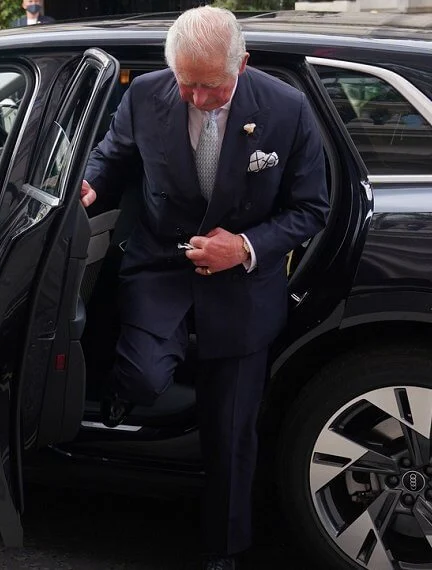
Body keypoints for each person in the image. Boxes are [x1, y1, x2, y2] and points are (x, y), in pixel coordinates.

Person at [80, 6, 329, 569]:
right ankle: (126, 390)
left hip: (242, 283)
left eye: (210, 86)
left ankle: (225, 547)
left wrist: (242, 247)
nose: (195, 98)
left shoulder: (286, 109)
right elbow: (112, 156)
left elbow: (312, 208)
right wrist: (89, 187)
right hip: (163, 263)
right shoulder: (145, 94)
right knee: (143, 377)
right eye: (184, 83)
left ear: (241, 63)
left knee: (230, 432)